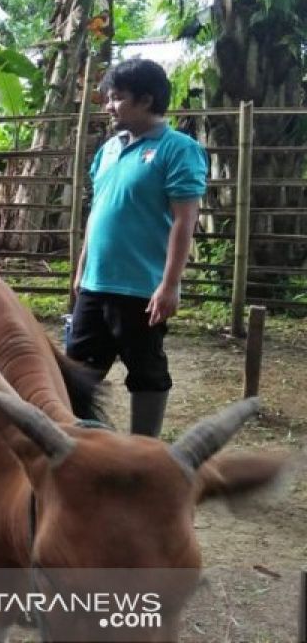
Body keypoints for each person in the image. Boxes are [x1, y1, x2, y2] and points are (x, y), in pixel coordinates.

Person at [67, 58, 207, 437]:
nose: (109, 106)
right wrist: (82, 268)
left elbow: (184, 220)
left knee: (146, 370)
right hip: (96, 284)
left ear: (146, 100)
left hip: (142, 288)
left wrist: (170, 285)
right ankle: (80, 445)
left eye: (116, 98)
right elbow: (98, 213)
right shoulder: (109, 150)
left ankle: (144, 449)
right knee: (77, 371)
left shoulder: (179, 150)